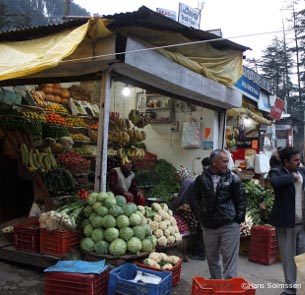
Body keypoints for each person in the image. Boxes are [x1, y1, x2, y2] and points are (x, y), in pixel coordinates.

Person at [193, 149, 246, 279]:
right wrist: (202, 214)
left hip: (229, 224)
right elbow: (195, 198)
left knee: (229, 260)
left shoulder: (234, 179)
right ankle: (216, 284)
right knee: (212, 258)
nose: (227, 164)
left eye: (227, 161)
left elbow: (241, 201)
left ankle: (228, 287)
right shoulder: (201, 179)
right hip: (209, 225)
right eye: (224, 161)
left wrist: (237, 220)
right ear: (214, 162)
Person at [268, 146, 305, 295]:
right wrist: (292, 177)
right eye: (295, 160)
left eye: (299, 159)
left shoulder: (303, 171)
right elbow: (274, 182)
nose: (299, 162)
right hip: (286, 224)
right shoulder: (276, 172)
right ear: (286, 162)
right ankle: (290, 289)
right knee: (289, 258)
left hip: (303, 224)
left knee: (303, 258)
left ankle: (303, 288)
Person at [172, 165, 206, 261]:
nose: (176, 178)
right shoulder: (189, 180)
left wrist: (172, 209)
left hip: (197, 208)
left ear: (181, 174)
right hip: (198, 207)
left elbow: (181, 198)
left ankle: (200, 253)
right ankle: (200, 252)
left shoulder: (186, 182)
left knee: (199, 230)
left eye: (177, 175)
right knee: (200, 230)